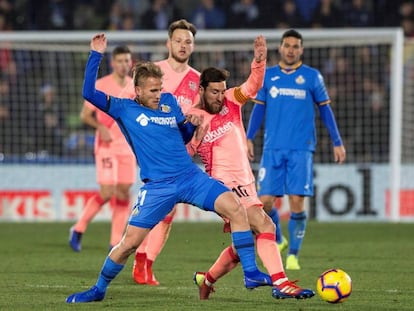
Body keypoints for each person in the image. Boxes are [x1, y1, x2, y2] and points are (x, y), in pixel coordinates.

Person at [66, 33, 270, 304]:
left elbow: (182, 136)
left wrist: (192, 124)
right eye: (152, 90)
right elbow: (88, 93)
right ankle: (98, 289)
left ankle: (251, 272)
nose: (157, 94)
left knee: (235, 207)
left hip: (189, 177)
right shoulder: (123, 108)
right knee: (128, 244)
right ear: (137, 90)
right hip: (158, 186)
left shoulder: (170, 103)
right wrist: (96, 55)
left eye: (159, 89)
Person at [188, 35, 314, 300]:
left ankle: (207, 279)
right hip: (223, 184)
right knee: (265, 226)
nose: (220, 96)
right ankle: (282, 283)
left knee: (241, 243)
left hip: (246, 181)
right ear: (201, 90)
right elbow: (185, 154)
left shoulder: (232, 101)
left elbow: (253, 86)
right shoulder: (193, 118)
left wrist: (259, 61)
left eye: (222, 90)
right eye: (214, 92)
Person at [246, 29, 346, 270]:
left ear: (301, 49)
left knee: (297, 203)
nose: (291, 50)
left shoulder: (312, 77)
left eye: (295, 46)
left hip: (301, 149)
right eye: (287, 45)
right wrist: (248, 137)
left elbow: (325, 110)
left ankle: (292, 255)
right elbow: (258, 109)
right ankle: (279, 238)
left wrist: (337, 141)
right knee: (265, 203)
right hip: (272, 149)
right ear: (280, 48)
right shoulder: (268, 76)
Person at [132, 19, 200, 286]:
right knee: (156, 210)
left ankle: (146, 263)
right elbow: (130, 106)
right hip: (154, 156)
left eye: (188, 41)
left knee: (168, 216)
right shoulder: (152, 71)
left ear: (193, 46)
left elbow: (197, 117)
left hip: (181, 156)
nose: (183, 45)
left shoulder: (197, 80)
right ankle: (140, 260)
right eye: (179, 40)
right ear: (168, 43)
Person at [69, 45, 136, 252]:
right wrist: (100, 127)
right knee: (107, 192)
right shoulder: (101, 84)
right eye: (121, 61)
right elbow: (85, 115)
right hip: (106, 146)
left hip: (127, 146)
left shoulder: (134, 87)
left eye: (127, 61)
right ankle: (78, 229)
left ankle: (115, 242)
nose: (125, 65)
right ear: (113, 63)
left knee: (124, 192)